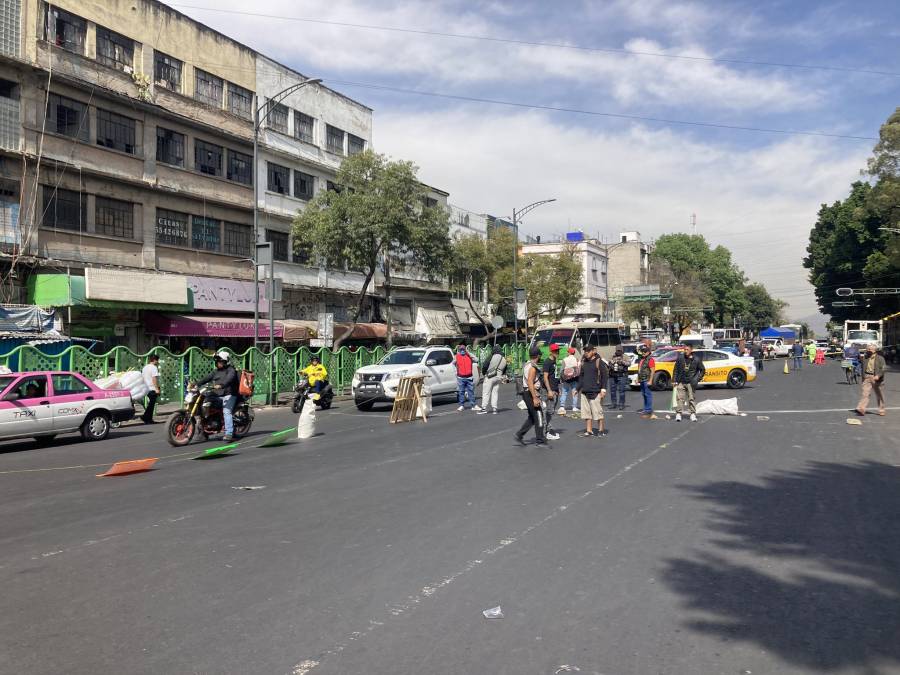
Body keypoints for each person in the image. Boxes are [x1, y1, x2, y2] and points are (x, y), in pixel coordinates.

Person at [197, 351, 239, 441]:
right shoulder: (216, 371)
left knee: (226, 411)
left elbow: (229, 379)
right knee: (204, 404)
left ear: (225, 361)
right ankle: (204, 432)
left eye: (220, 361)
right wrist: (196, 384)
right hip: (218, 394)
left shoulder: (231, 370)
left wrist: (221, 385)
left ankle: (229, 433)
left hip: (229, 394)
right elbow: (206, 378)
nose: (218, 363)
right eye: (217, 361)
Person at [514, 346, 546, 446]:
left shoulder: (527, 364)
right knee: (538, 415)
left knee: (532, 417)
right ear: (538, 355)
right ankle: (540, 440)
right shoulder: (532, 367)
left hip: (526, 393)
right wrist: (535, 398)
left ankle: (520, 434)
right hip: (531, 393)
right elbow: (530, 383)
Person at [577, 344, 608, 437]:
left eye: (588, 351)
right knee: (586, 414)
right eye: (585, 351)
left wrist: (603, 390)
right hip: (585, 391)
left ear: (593, 351)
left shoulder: (599, 362)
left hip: (596, 391)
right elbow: (581, 377)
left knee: (598, 413)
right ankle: (589, 430)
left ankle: (601, 430)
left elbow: (605, 376)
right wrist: (577, 389)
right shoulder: (584, 362)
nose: (586, 353)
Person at [673, 344, 705, 422]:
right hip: (681, 381)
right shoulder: (680, 358)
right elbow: (676, 369)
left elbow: (703, 370)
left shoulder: (697, 359)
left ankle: (692, 414)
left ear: (691, 350)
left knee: (691, 399)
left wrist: (697, 378)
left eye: (687, 349)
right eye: (684, 349)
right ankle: (679, 414)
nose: (685, 351)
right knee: (680, 398)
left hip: (691, 382)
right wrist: (674, 380)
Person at [855, 344, 886, 416]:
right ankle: (861, 409)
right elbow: (862, 366)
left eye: (869, 349)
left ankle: (881, 409)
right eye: (867, 349)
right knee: (865, 393)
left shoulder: (880, 358)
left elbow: (883, 368)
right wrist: (863, 377)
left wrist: (878, 375)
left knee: (879, 394)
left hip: (876, 378)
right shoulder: (865, 358)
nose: (868, 350)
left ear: (874, 350)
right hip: (867, 377)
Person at [477, 345, 507, 415]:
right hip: (499, 377)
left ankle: (484, 408)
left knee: (486, 392)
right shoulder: (504, 358)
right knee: (495, 392)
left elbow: (485, 365)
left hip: (490, 376)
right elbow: (505, 369)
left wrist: (484, 373)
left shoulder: (492, 356)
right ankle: (494, 408)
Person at [542, 344, 561, 440]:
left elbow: (555, 376)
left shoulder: (554, 362)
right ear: (551, 352)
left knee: (551, 411)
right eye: (555, 351)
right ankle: (546, 432)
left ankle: (548, 430)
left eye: (558, 351)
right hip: (547, 390)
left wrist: (557, 389)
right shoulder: (547, 362)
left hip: (554, 389)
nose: (557, 352)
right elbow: (545, 378)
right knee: (548, 411)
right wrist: (549, 390)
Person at [558, 347, 580, 416]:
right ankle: (574, 407)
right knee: (574, 393)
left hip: (566, 379)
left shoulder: (564, 359)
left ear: (569, 352)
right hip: (574, 378)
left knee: (564, 392)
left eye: (568, 352)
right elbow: (579, 369)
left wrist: (561, 379)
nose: (567, 353)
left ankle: (562, 406)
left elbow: (562, 369)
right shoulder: (576, 359)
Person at [141, 353, 161, 424]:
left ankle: (147, 418)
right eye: (157, 360)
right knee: (151, 404)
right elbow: (154, 378)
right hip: (152, 388)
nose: (158, 362)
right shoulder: (154, 368)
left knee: (151, 404)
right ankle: (146, 418)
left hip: (146, 387)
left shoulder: (145, 367)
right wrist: (157, 388)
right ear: (155, 360)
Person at [636, 344, 655, 418]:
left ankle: (648, 409)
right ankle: (646, 408)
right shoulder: (642, 359)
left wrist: (650, 380)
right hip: (642, 379)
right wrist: (638, 378)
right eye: (642, 351)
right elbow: (640, 370)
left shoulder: (650, 359)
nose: (643, 353)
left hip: (647, 379)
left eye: (645, 351)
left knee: (648, 395)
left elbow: (653, 371)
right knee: (644, 394)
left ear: (648, 352)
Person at [455, 345, 476, 411]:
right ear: (459, 350)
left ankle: (473, 405)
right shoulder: (457, 356)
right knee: (461, 392)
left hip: (469, 377)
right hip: (461, 377)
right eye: (461, 350)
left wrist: (468, 353)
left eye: (463, 350)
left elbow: (476, 359)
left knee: (471, 392)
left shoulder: (469, 355)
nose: (462, 351)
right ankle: (462, 405)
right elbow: (452, 363)